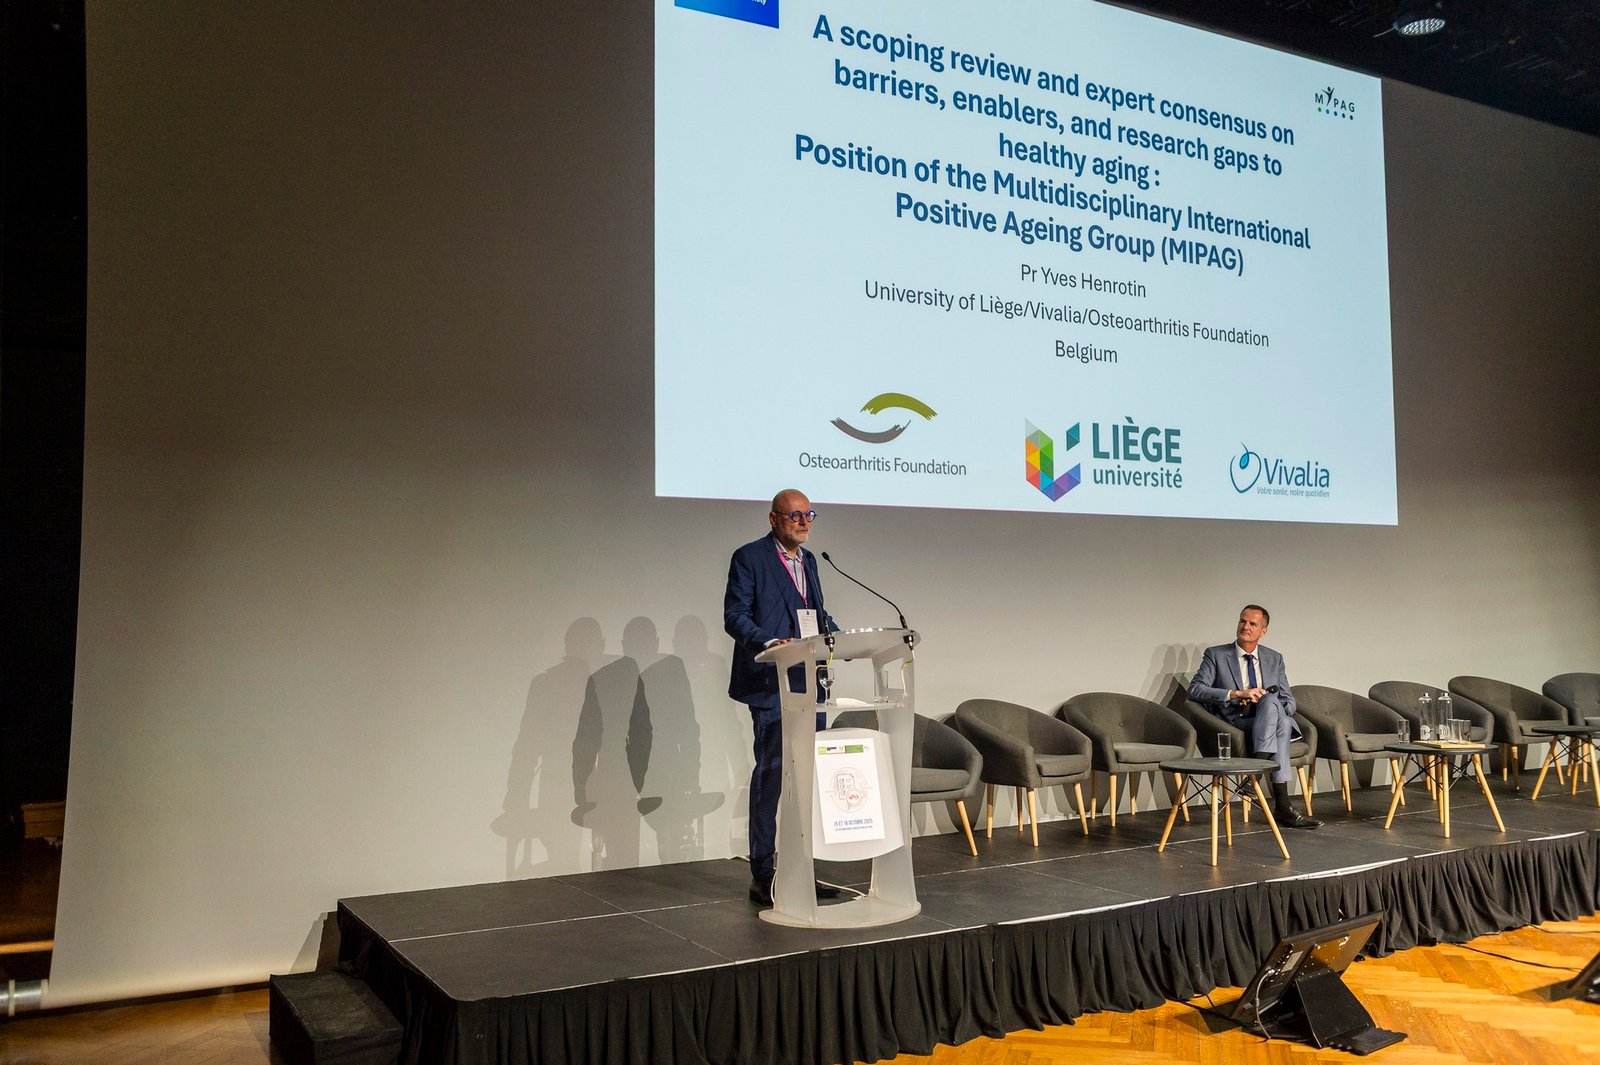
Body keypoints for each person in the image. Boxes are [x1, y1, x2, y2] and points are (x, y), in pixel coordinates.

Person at [724, 489, 840, 906]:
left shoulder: (810, 561)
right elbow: (735, 616)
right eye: (795, 515)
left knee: (807, 778)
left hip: (809, 682)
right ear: (774, 519)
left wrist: (836, 636)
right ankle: (763, 872)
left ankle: (801, 868)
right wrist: (770, 641)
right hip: (771, 681)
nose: (804, 522)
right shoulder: (749, 557)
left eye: (809, 514)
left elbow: (816, 615)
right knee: (772, 775)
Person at [1187, 605, 1322, 829]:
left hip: (1267, 720)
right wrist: (1237, 694)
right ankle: (1281, 804)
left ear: (1263, 631)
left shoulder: (1274, 658)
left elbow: (1289, 701)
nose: (1245, 627)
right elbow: (1195, 690)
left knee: (1273, 705)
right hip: (1236, 723)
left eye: (1252, 624)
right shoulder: (1216, 655)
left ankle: (1258, 778)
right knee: (1282, 722)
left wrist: (1271, 707)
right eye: (1242, 621)